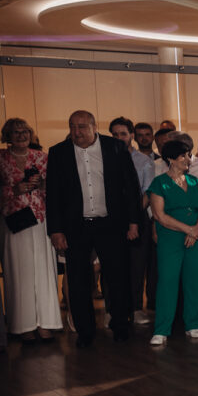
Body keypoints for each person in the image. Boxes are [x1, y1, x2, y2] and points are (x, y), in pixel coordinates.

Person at [46, 110, 141, 348]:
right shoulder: (59, 152)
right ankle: (85, 331)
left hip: (110, 223)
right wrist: (56, 230)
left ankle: (120, 325)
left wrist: (133, 222)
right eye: (72, 126)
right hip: (76, 226)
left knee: (117, 277)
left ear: (94, 127)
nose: (76, 132)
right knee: (78, 280)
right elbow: (53, 194)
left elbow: (131, 187)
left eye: (82, 127)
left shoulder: (115, 147)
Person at [0, 118, 61, 342]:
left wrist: (43, 185)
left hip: (40, 218)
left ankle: (46, 323)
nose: (21, 135)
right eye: (16, 132)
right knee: (19, 271)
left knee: (43, 270)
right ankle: (23, 325)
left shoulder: (42, 157)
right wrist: (13, 190)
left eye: (24, 131)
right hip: (13, 221)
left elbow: (56, 188)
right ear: (7, 136)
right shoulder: (1, 158)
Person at [148, 139, 198, 345]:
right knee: (167, 281)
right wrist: (188, 230)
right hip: (170, 237)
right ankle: (161, 330)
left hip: (197, 238)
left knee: (194, 281)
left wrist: (197, 229)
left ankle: (193, 325)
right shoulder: (159, 183)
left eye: (189, 155)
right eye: (183, 155)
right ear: (171, 159)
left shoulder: (194, 182)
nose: (188, 159)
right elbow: (159, 216)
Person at [109, 116, 155, 325]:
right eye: (115, 134)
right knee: (112, 265)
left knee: (137, 266)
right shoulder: (105, 158)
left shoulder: (144, 161)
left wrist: (133, 216)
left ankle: (136, 308)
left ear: (131, 135)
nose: (119, 138)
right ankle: (112, 310)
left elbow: (147, 192)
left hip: (138, 217)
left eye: (123, 134)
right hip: (111, 220)